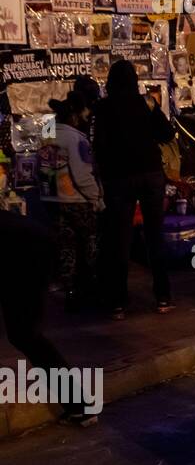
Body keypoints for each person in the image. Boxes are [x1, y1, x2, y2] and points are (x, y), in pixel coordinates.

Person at [94, 60, 176, 318]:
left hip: (119, 179)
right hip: (150, 174)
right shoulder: (148, 103)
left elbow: (100, 145)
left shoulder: (103, 108)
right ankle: (163, 297)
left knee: (120, 240)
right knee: (154, 236)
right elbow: (167, 134)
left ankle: (119, 302)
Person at [0, 211, 96, 425]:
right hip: (30, 246)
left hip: (22, 253)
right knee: (25, 335)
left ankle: (79, 406)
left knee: (26, 335)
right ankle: (79, 406)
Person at [40, 93, 103, 310]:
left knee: (66, 247)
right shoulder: (76, 138)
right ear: (74, 116)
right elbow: (82, 174)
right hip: (77, 200)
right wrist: (97, 198)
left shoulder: (47, 132)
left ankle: (70, 291)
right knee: (89, 244)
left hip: (52, 199)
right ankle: (91, 289)